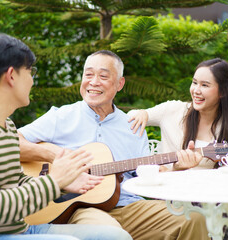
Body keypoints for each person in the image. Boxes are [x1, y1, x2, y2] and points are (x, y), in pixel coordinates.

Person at [0, 33, 133, 240]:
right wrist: (53, 182)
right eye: (30, 71)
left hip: (17, 230)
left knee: (115, 236)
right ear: (11, 76)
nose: (33, 80)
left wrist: (62, 185)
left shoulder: (5, 125)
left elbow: (15, 182)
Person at [18, 50, 210, 240]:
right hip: (85, 208)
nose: (93, 82)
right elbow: (11, 141)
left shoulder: (133, 125)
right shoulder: (60, 116)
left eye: (103, 76)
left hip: (131, 206)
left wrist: (176, 168)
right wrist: (55, 155)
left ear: (120, 84)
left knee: (194, 217)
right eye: (89, 74)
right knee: (113, 235)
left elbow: (148, 176)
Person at [128, 58, 228, 171]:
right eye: (194, 83)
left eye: (205, 85)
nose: (196, 90)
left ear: (223, 92)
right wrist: (143, 113)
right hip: (162, 186)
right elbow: (129, 118)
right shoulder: (172, 110)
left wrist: (180, 170)